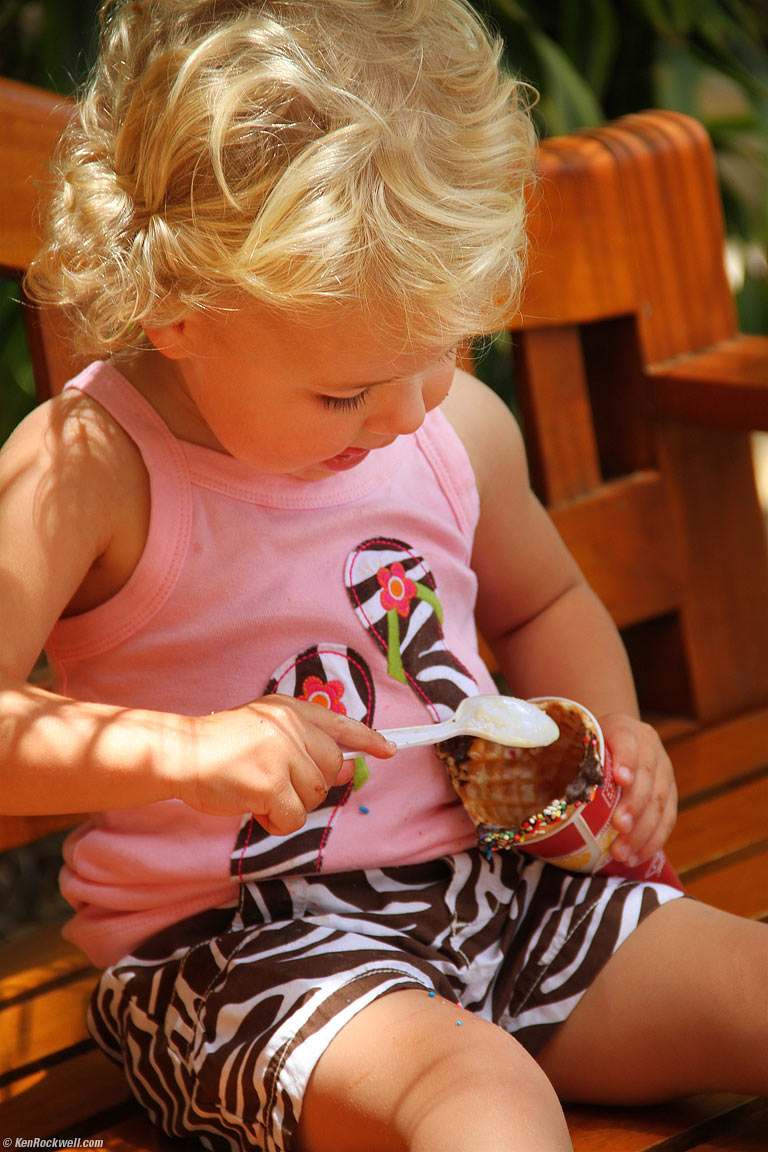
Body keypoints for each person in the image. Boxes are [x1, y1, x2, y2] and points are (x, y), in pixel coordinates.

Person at [4, 0, 765, 1148]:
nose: (410, 413)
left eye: (442, 353)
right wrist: (187, 752)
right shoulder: (89, 472)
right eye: (345, 392)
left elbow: (546, 602)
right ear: (179, 314)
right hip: (239, 955)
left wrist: (608, 733)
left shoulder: (448, 425)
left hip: (504, 898)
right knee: (487, 1100)